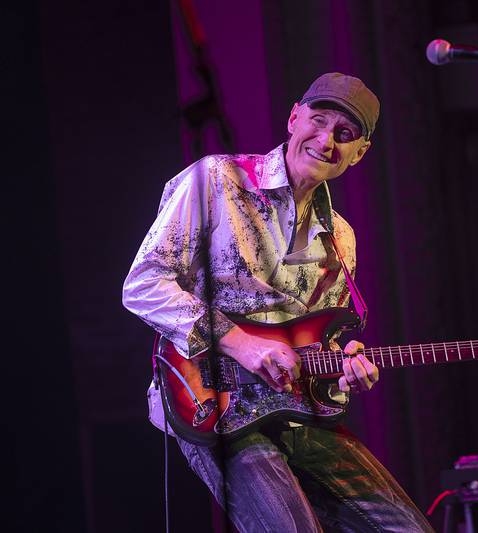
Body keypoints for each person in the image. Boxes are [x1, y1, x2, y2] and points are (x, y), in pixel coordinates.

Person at [123, 73, 433, 532]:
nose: (326, 140)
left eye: (345, 134)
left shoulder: (341, 238)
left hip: (295, 410)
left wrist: (344, 365)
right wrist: (239, 342)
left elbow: (316, 340)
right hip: (212, 402)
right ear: (294, 118)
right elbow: (144, 285)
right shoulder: (216, 180)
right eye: (319, 120)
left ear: (359, 154)